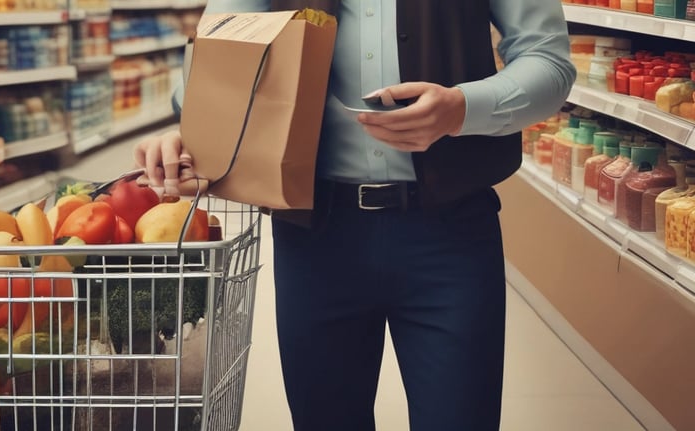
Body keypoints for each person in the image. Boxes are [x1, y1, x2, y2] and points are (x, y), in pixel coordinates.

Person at [134, 0, 576, 430]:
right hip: (315, 240)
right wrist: (189, 134)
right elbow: (217, 62)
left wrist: (462, 107)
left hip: (451, 236)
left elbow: (548, 61)